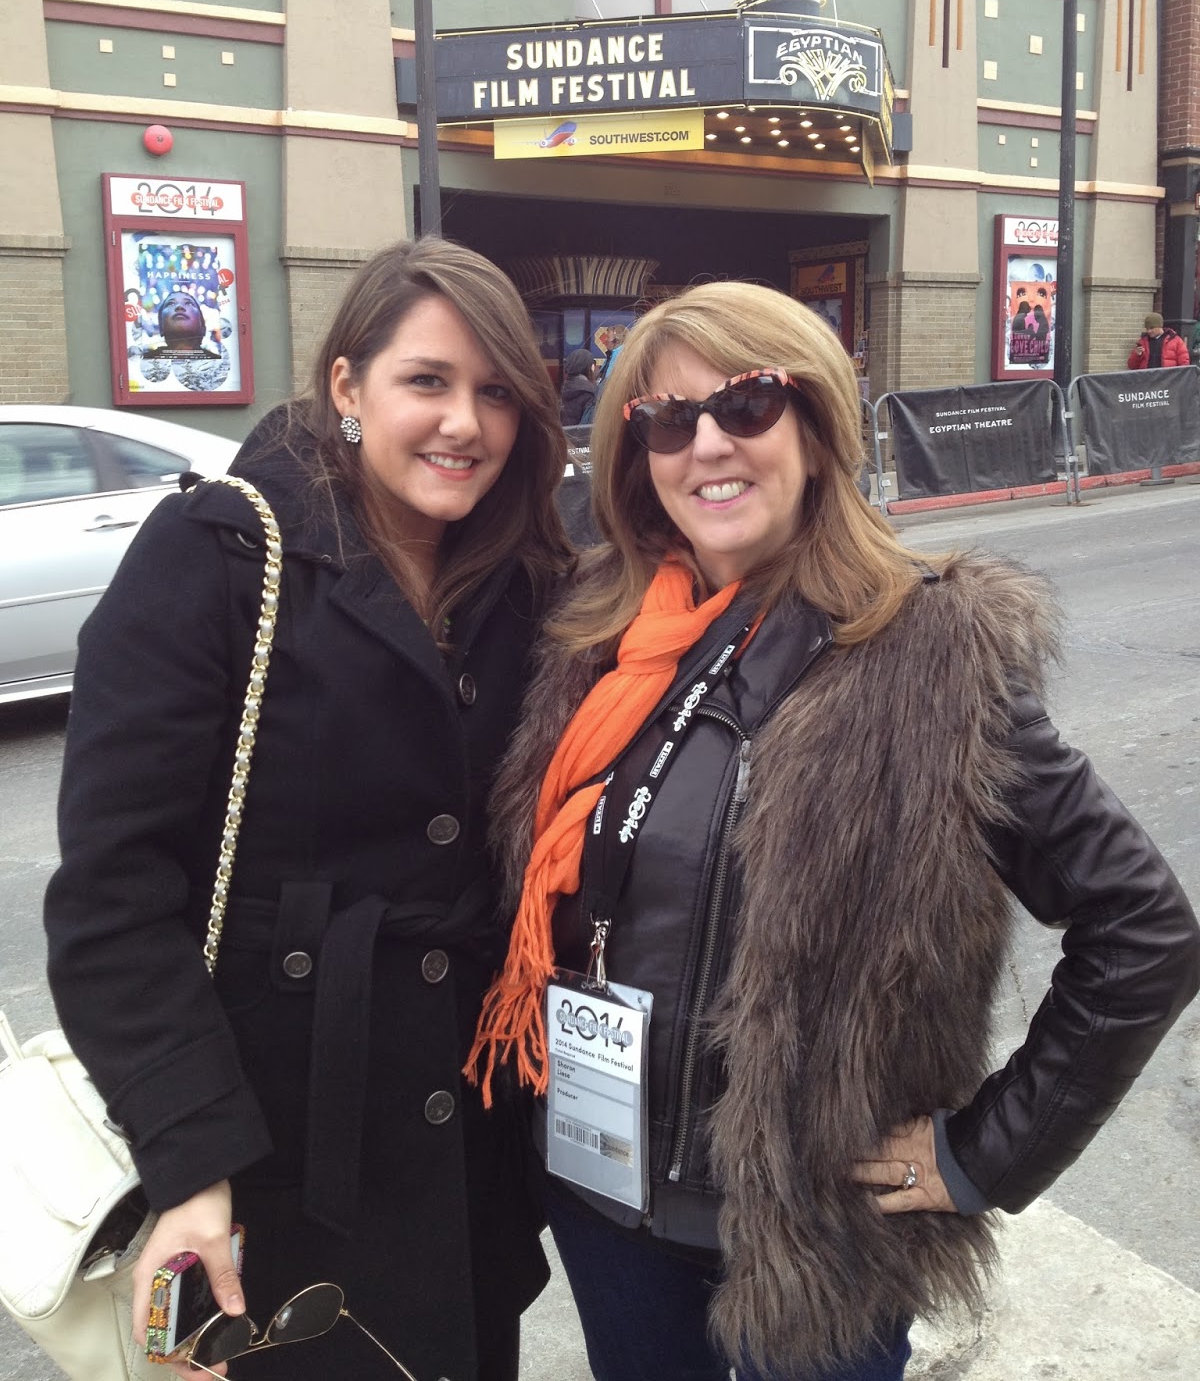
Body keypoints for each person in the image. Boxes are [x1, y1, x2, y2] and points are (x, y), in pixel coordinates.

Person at [466, 281, 1200, 1381]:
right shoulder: (594, 642)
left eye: (749, 404)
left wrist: (982, 1155)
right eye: (669, 419)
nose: (708, 442)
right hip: (605, 1205)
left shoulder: (931, 654)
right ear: (638, 455)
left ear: (817, 428)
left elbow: (1144, 931)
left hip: (812, 1253)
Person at [44, 238, 572, 1381]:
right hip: (274, 1151)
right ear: (348, 387)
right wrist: (188, 1160)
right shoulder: (221, 553)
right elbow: (111, 895)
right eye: (426, 380)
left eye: (495, 393)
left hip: (470, 1144)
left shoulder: (527, 577)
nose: (464, 423)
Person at [559, 348, 599, 427]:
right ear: (587, 367)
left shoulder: (567, 386)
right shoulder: (589, 393)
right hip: (580, 437)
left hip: (566, 434)